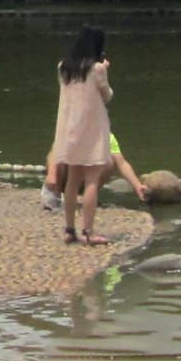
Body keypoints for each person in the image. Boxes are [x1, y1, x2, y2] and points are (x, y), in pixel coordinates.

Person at [48, 26, 119, 245]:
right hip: (91, 131)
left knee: (72, 180)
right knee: (91, 181)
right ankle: (88, 232)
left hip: (69, 130)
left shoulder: (63, 67)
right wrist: (105, 69)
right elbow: (107, 96)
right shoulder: (96, 69)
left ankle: (69, 230)